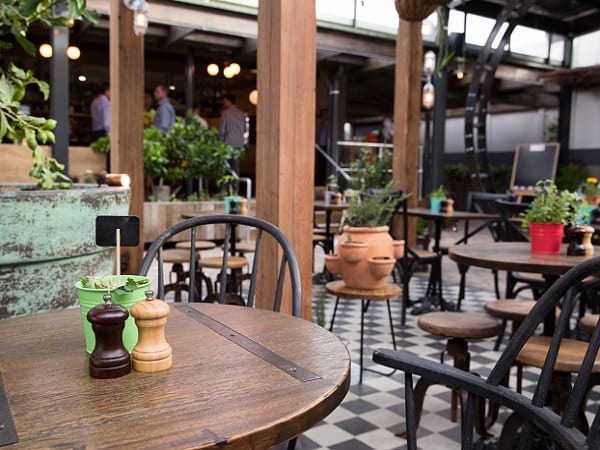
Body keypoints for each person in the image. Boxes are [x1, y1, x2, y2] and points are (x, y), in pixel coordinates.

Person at [218, 94, 246, 176]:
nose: (224, 103)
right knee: (236, 167)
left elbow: (222, 130)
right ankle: (235, 186)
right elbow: (244, 129)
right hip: (239, 144)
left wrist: (220, 141)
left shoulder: (226, 113)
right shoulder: (241, 114)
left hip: (228, 143)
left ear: (228, 101)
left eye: (225, 101)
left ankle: (224, 187)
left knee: (225, 167)